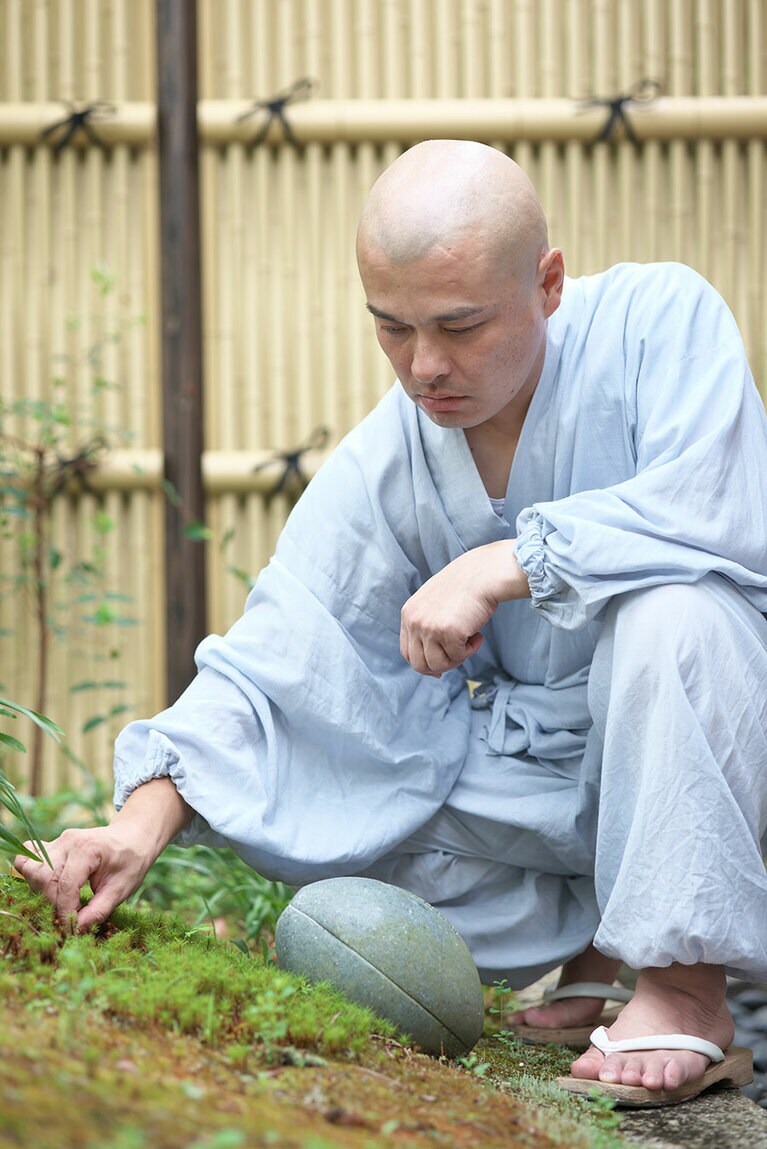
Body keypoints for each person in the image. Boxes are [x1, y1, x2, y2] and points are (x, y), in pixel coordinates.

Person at [15, 139, 767, 1105]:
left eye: (460, 325)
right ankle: (595, 941)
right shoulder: (393, 452)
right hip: (548, 780)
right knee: (347, 826)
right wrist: (136, 824)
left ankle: (682, 982)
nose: (425, 367)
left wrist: (508, 561)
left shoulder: (658, 321)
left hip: (720, 741)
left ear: (547, 282)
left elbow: (721, 508)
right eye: (391, 328)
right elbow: (287, 648)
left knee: (674, 612)